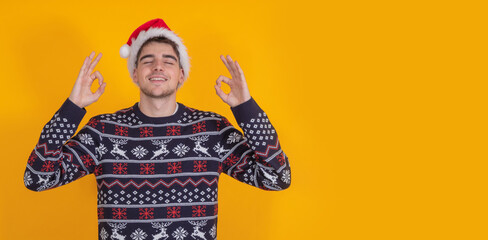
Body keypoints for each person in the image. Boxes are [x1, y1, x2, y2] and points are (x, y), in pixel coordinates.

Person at [23, 18, 291, 240]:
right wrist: (72, 108)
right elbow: (37, 179)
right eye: (148, 60)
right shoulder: (103, 131)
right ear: (135, 73)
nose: (158, 66)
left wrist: (246, 107)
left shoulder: (212, 130)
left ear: (181, 74)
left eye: (169, 60)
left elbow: (277, 178)